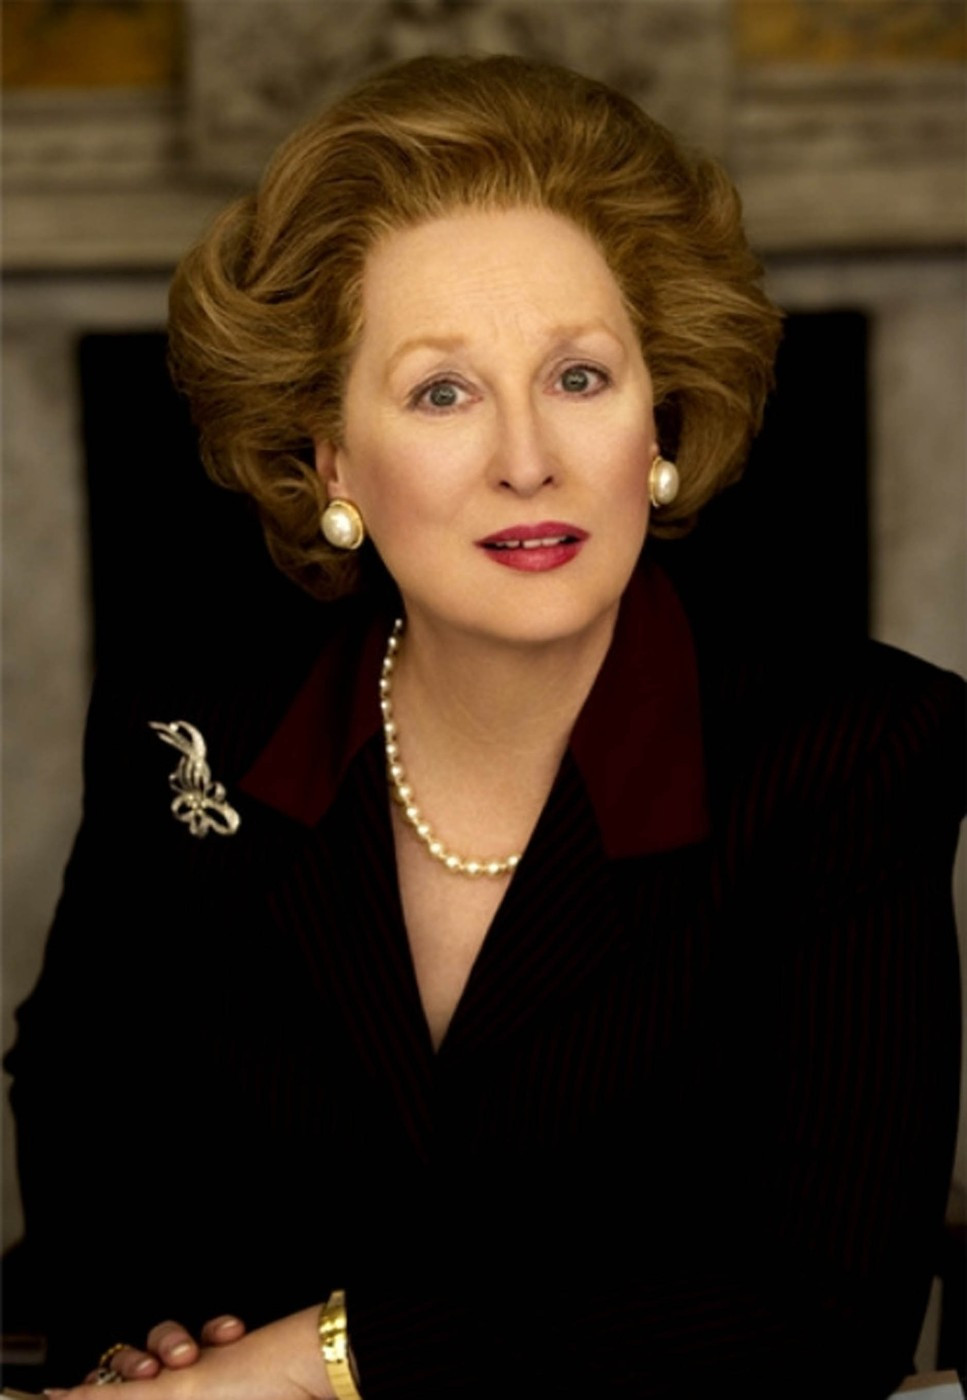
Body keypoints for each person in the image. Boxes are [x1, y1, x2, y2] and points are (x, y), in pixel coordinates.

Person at [6, 52, 964, 1400]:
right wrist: (153, 1344)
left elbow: (827, 1309)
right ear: (331, 458)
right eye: (442, 393)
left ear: (658, 419)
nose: (529, 459)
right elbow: (83, 1117)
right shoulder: (195, 734)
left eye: (579, 377)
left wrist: (325, 1358)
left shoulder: (855, 750)